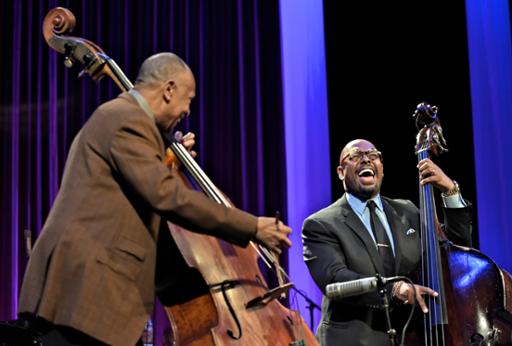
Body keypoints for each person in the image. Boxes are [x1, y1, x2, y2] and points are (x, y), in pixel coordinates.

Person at [18, 52, 292, 345]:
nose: (187, 110)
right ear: (169, 89)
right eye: (188, 100)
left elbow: (135, 189)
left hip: (95, 291)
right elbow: (166, 196)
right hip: (88, 289)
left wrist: (165, 159)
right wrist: (253, 227)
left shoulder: (125, 120)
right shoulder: (126, 118)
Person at [302, 139, 472, 346]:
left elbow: (454, 249)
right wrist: (395, 289)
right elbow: (335, 278)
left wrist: (450, 190)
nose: (366, 159)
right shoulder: (320, 224)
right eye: (355, 156)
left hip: (410, 338)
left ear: (381, 168)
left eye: (373, 155)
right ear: (340, 172)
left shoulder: (407, 211)